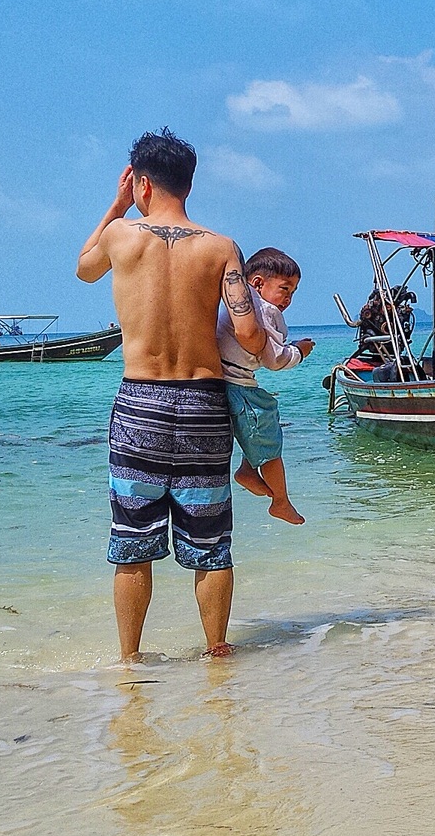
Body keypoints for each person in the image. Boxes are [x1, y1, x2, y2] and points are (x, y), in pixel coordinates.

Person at [76, 128, 267, 662]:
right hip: (204, 404)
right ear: (188, 183)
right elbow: (249, 334)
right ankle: (217, 652)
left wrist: (115, 206)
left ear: (140, 183)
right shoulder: (222, 247)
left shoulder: (120, 237)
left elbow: (83, 268)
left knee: (132, 541)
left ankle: (131, 661)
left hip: (140, 402)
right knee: (210, 541)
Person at [218, 247, 317, 526]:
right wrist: (300, 351)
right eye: (285, 288)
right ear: (258, 283)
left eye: (293, 292)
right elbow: (274, 359)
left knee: (265, 418)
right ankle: (281, 501)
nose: (288, 298)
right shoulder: (265, 309)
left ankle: (248, 469)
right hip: (237, 384)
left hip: (228, 380)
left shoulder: (237, 301)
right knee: (269, 437)